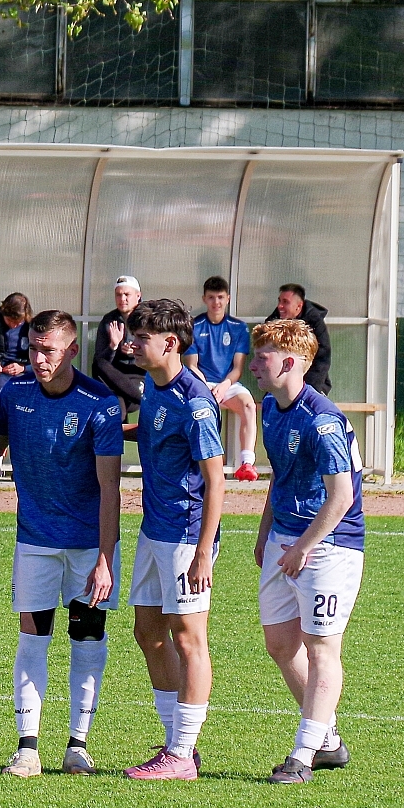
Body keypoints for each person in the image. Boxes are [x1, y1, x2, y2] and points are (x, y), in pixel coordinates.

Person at [0, 310, 123, 777]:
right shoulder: (14, 394)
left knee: (87, 636)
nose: (38, 358)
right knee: (33, 637)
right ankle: (27, 748)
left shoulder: (100, 403)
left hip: (88, 545)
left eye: (48, 350)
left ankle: (77, 746)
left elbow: (111, 487)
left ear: (71, 350)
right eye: (32, 348)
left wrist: (106, 559)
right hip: (35, 541)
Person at [248, 320, 364, 783]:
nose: (253, 366)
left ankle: (302, 755)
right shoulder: (271, 409)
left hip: (329, 546)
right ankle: (328, 741)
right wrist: (265, 532)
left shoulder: (322, 420)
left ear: (290, 363)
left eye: (263, 358)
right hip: (286, 539)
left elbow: (342, 497)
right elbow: (282, 474)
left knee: (321, 648)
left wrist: (303, 546)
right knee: (280, 643)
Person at [122, 298, 225, 781]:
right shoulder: (153, 386)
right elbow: (149, 433)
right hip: (153, 529)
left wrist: (203, 551)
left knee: (188, 638)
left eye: (140, 339)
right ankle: (175, 743)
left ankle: (182, 753)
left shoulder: (195, 403)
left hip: (185, 535)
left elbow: (216, 480)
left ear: (170, 343)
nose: (131, 345)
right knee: (148, 633)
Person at [187, 276, 259, 481]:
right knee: (199, 411)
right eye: (211, 297)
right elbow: (192, 366)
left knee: (249, 405)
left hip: (228, 383)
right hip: (201, 382)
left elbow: (238, 368)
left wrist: (224, 385)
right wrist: (206, 388)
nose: (216, 302)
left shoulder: (238, 327)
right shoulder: (194, 326)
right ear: (204, 299)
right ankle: (202, 462)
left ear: (227, 298)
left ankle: (247, 463)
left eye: (220, 297)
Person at [93, 275, 146, 419]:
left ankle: (142, 400)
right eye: (118, 295)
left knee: (114, 400)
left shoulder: (147, 319)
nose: (122, 299)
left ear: (138, 296)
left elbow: (158, 352)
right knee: (99, 365)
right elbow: (100, 361)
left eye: (127, 294)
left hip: (139, 374)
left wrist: (136, 351)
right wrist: (113, 346)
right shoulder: (109, 320)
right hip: (114, 375)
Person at [266, 284, 332, 395]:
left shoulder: (315, 322)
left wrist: (310, 391)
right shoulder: (273, 322)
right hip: (281, 381)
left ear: (299, 306)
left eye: (285, 302)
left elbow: (322, 358)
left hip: (312, 381)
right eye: (279, 301)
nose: (280, 306)